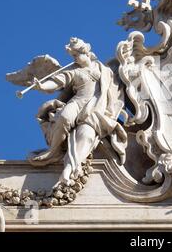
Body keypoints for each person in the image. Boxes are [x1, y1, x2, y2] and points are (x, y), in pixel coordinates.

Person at [30, 37, 127, 185]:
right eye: (73, 56)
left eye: (77, 55)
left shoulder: (104, 70)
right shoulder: (73, 70)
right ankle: (54, 150)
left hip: (94, 110)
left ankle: (69, 169)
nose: (75, 58)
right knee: (64, 117)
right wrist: (42, 87)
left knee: (86, 136)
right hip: (77, 103)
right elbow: (57, 82)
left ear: (86, 52)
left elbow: (117, 85)